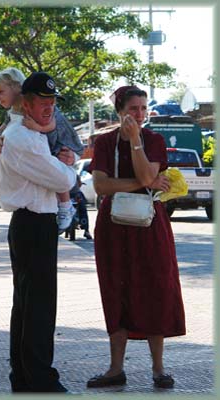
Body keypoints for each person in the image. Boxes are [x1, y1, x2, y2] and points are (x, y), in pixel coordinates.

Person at [87, 85, 186, 389]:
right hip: (113, 225)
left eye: (144, 109)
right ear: (120, 111)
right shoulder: (103, 142)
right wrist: (143, 181)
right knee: (115, 290)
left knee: (156, 286)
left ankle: (158, 368)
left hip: (150, 224)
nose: (140, 115)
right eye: (133, 109)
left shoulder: (153, 140)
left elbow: (146, 177)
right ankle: (116, 368)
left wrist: (135, 145)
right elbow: (101, 187)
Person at [0, 71, 77, 393]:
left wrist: (63, 164)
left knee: (28, 304)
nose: (49, 107)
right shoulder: (23, 138)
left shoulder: (24, 134)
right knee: (39, 306)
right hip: (33, 222)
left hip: (33, 222)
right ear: (26, 103)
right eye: (42, 101)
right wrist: (68, 168)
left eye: (53, 100)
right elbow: (62, 181)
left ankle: (25, 376)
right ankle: (40, 378)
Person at [0, 67, 84, 232]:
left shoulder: (29, 123)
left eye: (1, 92)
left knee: (59, 161)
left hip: (57, 145)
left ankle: (66, 205)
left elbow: (54, 125)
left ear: (17, 89)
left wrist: (39, 128)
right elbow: (62, 180)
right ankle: (65, 206)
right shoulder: (17, 127)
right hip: (31, 219)